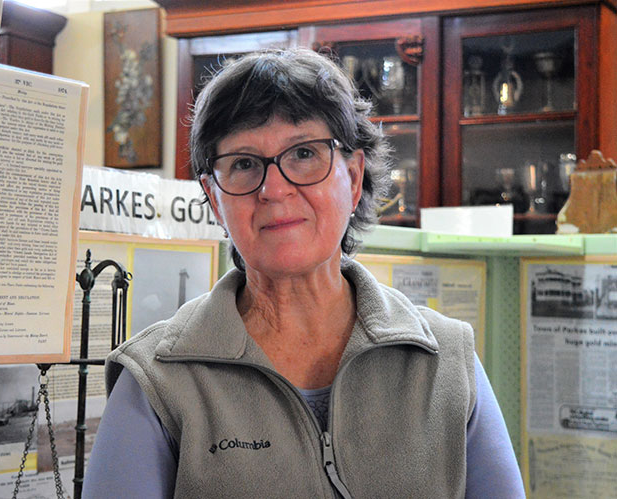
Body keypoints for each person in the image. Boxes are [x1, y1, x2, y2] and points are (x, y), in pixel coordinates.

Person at [83, 48, 524, 498]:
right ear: (215, 199)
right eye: (243, 163)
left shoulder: (446, 362)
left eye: (304, 153)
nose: (274, 189)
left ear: (354, 179)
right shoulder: (156, 380)